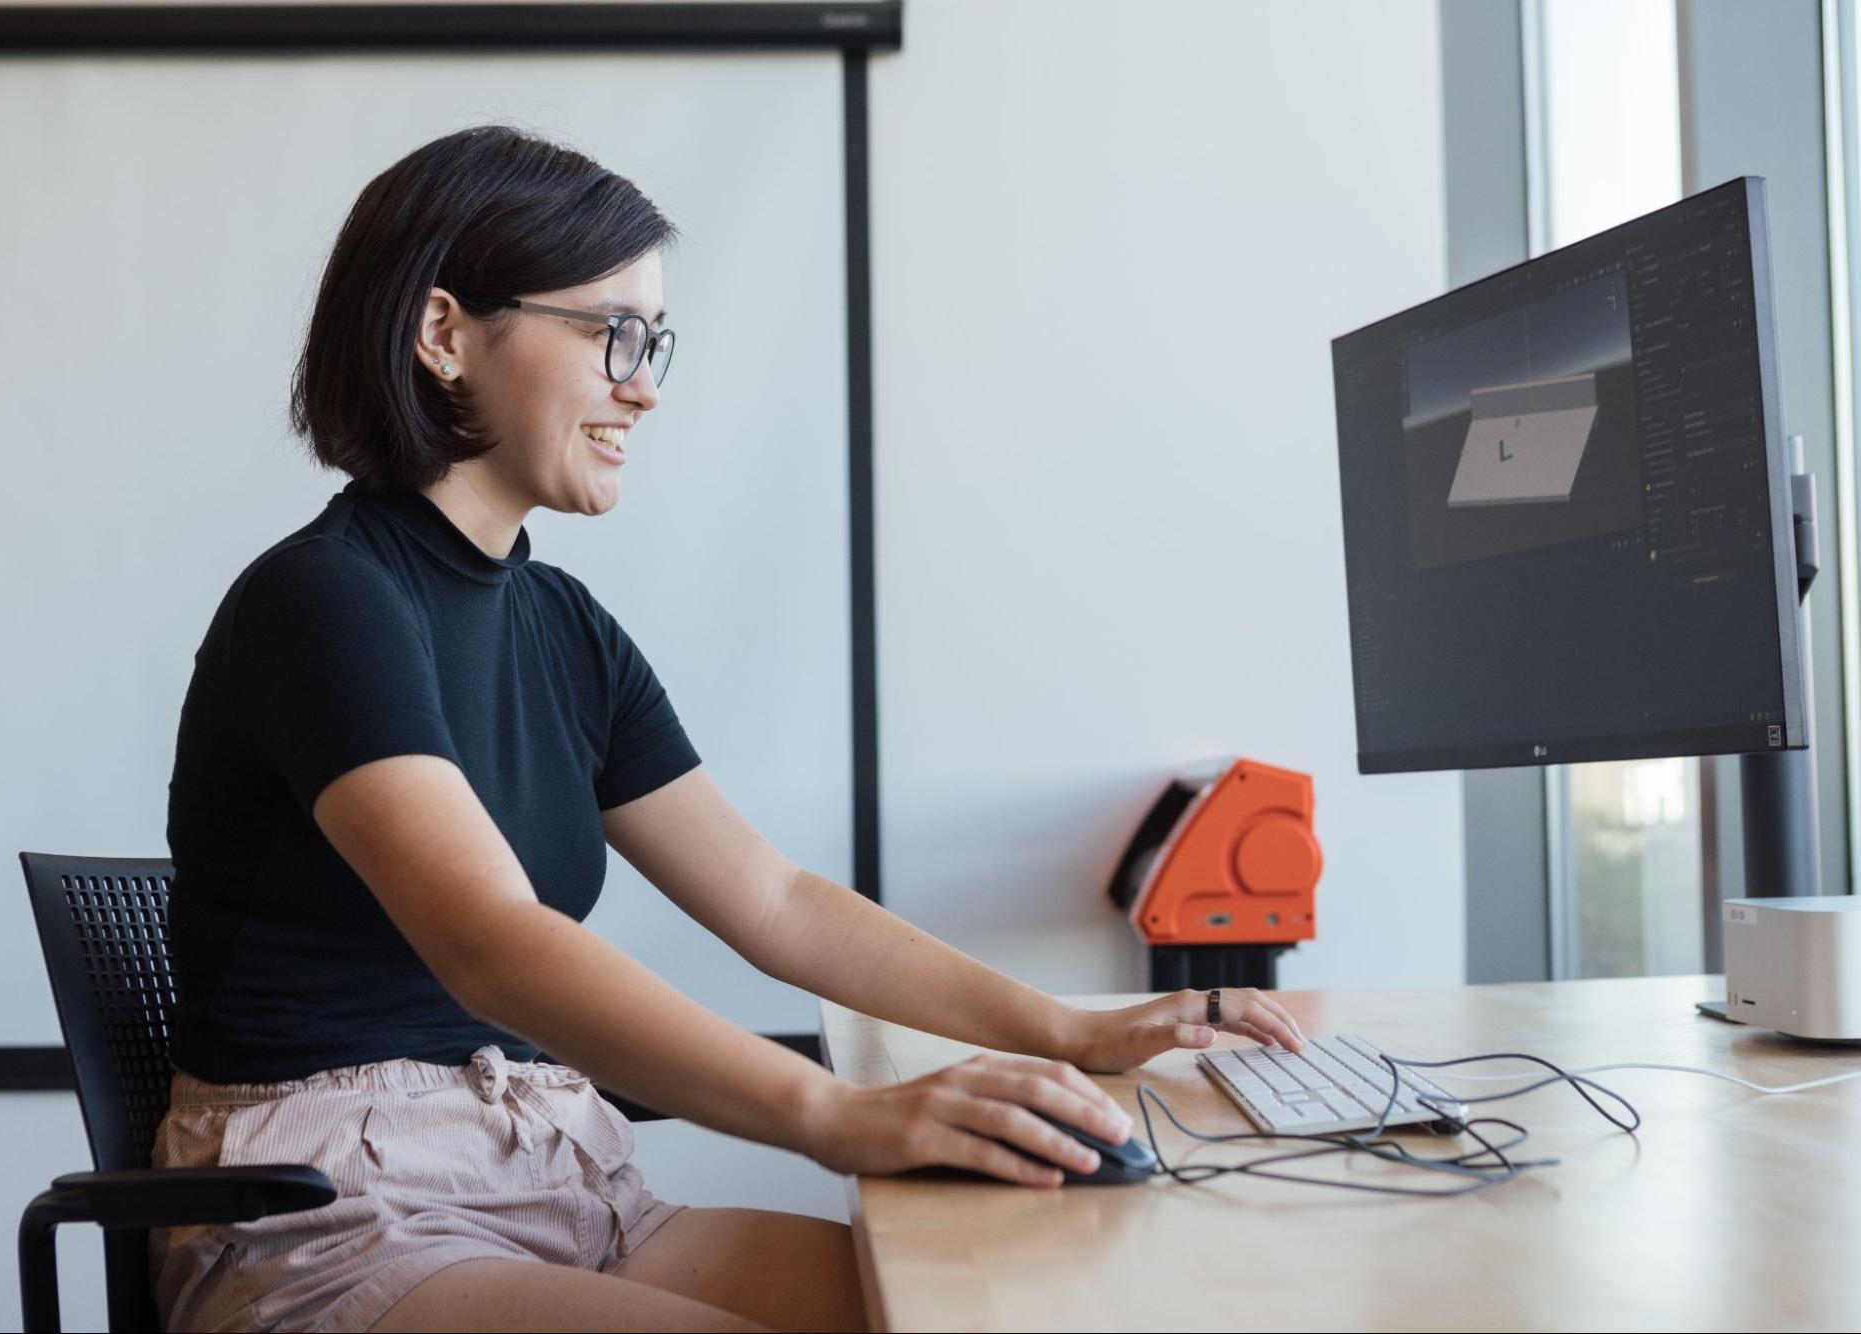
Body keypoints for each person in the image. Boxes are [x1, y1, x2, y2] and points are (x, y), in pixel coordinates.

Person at [150, 125, 1308, 1334]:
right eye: (610, 333)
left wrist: (1070, 1027)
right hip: (329, 1215)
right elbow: (488, 942)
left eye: (653, 342)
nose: (643, 383)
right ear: (443, 334)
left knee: (974, 1305)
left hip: (555, 1177)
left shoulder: (561, 624)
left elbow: (775, 899)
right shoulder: (327, 600)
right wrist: (836, 1114)